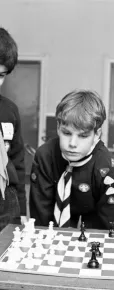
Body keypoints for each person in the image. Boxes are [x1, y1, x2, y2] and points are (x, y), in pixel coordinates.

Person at [29, 90, 114, 229]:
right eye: (66, 133)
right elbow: (40, 212)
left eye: (83, 136)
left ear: (97, 134)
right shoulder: (44, 156)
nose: (72, 143)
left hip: (94, 221)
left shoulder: (107, 165)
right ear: (58, 128)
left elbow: (110, 218)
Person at [0, 27, 27, 231]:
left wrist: (22, 214)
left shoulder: (10, 111)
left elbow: (17, 165)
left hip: (6, 202)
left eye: (1, 75)